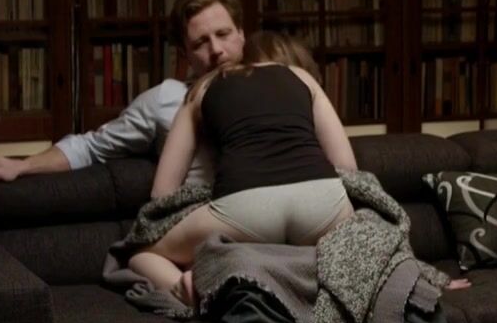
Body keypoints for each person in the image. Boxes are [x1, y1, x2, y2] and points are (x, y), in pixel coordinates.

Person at [127, 39, 358, 304]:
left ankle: (186, 289)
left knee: (141, 253)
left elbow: (162, 192)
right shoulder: (301, 77)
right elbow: (347, 167)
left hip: (246, 207)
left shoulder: (204, 86)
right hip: (323, 202)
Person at [0, 0, 246, 186]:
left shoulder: (270, 86)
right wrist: (22, 165)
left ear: (241, 35)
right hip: (205, 228)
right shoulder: (167, 99)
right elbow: (89, 147)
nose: (216, 50)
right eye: (200, 43)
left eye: (223, 34)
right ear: (184, 54)